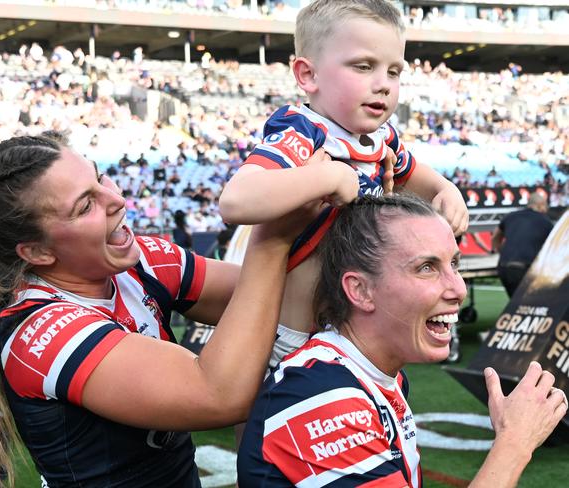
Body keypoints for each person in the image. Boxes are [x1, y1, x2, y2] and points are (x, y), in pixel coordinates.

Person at [0, 133, 321, 487]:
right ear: (37, 252)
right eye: (85, 206)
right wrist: (272, 237)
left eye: (99, 178)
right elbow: (219, 393)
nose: (117, 199)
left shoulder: (140, 262)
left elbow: (276, 297)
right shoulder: (41, 331)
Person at [237, 194, 568, 487]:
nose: (459, 289)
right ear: (360, 290)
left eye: (455, 263)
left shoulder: (373, 374)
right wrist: (515, 443)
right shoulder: (324, 398)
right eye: (426, 267)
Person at [219, 0, 468, 365]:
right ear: (308, 75)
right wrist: (325, 176)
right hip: (296, 337)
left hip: (352, 331)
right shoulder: (303, 132)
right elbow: (236, 200)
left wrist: (448, 192)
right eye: (363, 66)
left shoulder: (382, 138)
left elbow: (422, 179)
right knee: (274, 414)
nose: (383, 85)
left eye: (394, 71)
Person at [491, 192, 554, 297]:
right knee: (530, 303)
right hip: (524, 269)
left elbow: (495, 236)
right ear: (540, 205)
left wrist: (500, 251)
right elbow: (552, 248)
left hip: (504, 267)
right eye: (546, 206)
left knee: (516, 302)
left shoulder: (510, 216)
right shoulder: (546, 222)